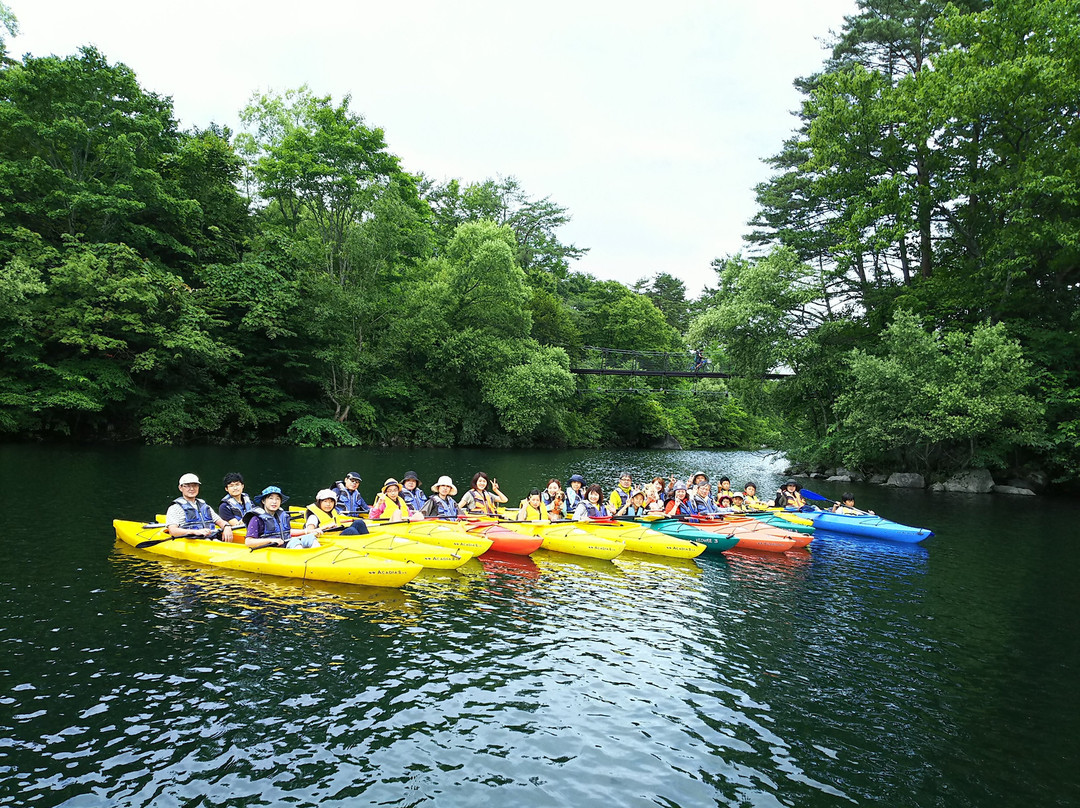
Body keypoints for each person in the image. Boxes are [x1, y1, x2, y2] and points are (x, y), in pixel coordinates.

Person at [246, 486, 319, 549]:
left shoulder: (282, 515)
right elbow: (249, 542)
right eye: (271, 498)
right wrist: (271, 540)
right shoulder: (256, 519)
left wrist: (306, 531)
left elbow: (286, 532)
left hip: (286, 544)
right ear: (263, 501)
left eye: (277, 499)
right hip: (271, 550)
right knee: (295, 542)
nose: (274, 502)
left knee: (309, 538)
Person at [166, 474, 235, 541]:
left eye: (195, 485)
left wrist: (227, 527)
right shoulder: (174, 508)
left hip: (210, 539)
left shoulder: (205, 506)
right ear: (180, 488)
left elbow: (220, 521)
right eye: (187, 486)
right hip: (190, 541)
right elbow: (173, 531)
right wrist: (195, 532)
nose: (192, 489)